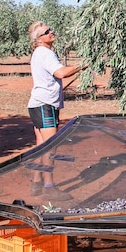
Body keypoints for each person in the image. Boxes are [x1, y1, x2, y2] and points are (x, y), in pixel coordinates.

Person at [26, 20, 86, 201]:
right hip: (45, 106)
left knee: (40, 146)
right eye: (47, 32)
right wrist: (84, 64)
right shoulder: (45, 53)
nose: (51, 32)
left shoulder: (40, 53)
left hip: (38, 104)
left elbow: (56, 78)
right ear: (39, 39)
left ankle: (36, 183)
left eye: (50, 29)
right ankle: (49, 187)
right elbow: (60, 73)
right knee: (50, 147)